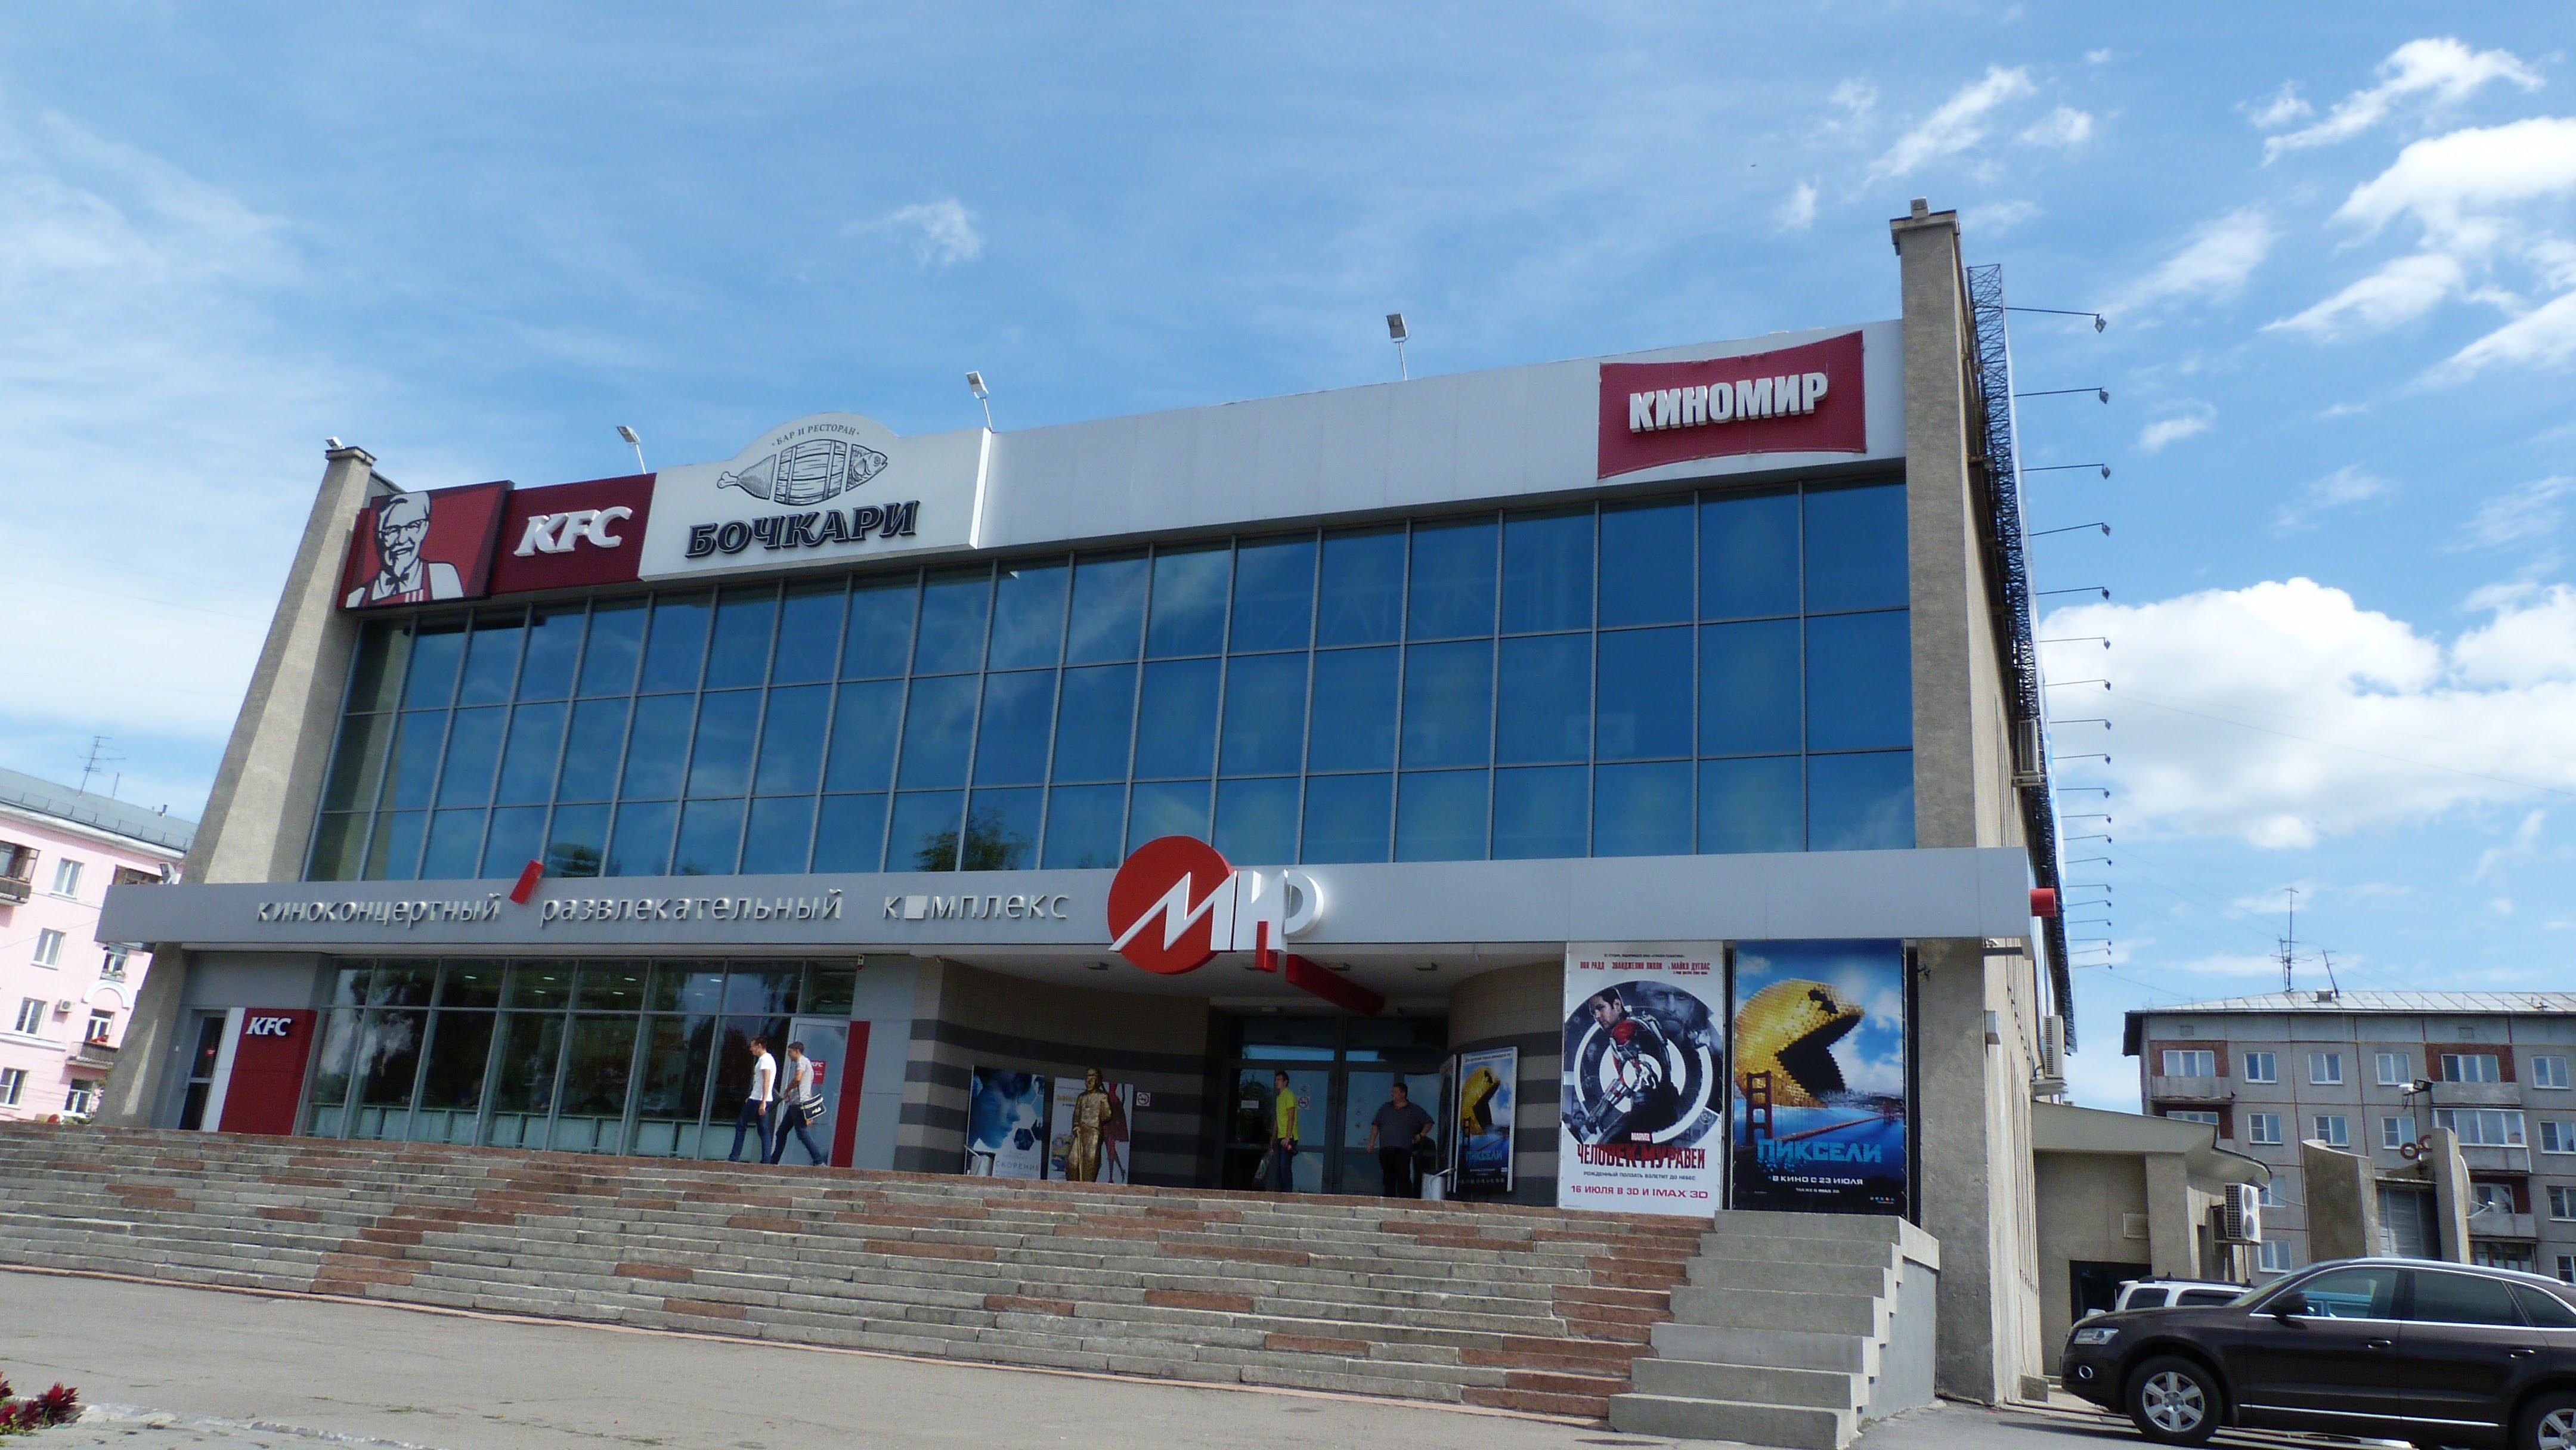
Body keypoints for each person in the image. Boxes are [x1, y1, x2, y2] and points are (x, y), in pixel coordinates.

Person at [345, 492, 465, 607]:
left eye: (413, 526)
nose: (402, 540)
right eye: (392, 530)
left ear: (425, 528)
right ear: (380, 536)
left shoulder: (442, 575)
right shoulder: (357, 598)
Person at [1366, 1080, 1435, 1198]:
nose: (1392, 1094)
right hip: (1386, 1149)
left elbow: (1429, 1122)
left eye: (1395, 1092)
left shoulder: (1413, 1110)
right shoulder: (1385, 1108)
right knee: (1388, 1177)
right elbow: (1376, 1125)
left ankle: (1406, 1201)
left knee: (1403, 1176)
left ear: (1403, 1094)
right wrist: (1371, 1142)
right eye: (1392, 1092)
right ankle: (1388, 1200)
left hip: (1403, 1150)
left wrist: (1421, 1135)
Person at [766, 1040, 827, 1166]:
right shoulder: (808, 1064)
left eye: (790, 1052)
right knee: (782, 1132)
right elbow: (807, 1088)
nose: (789, 1055)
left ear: (797, 1051)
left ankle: (818, 1161)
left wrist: (787, 1090)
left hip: (798, 1104)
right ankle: (773, 1162)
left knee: (802, 1133)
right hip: (797, 1104)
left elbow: (798, 1078)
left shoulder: (801, 1062)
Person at [1064, 1068, 1121, 1183]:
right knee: (1072, 1161)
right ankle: (1073, 1186)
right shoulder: (1082, 1097)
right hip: (1080, 1132)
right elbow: (1077, 1114)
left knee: (1090, 1160)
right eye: (1087, 1080)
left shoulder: (1103, 1096)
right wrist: (1076, 1125)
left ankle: (1087, 1186)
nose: (1089, 1082)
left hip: (1094, 1132)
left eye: (1092, 1079)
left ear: (1098, 1081)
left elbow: (1108, 1115)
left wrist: (1095, 1121)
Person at [726, 1034, 776, 1163]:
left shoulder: (764, 1060)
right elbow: (760, 1082)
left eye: (753, 1047)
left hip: (758, 1099)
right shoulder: (769, 1059)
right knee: (763, 1129)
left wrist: (762, 1102)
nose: (751, 1049)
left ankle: (734, 1157)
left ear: (759, 1046)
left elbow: (766, 1080)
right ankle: (766, 1160)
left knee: (741, 1125)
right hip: (761, 1098)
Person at [1264, 1070, 1300, 1192]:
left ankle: (1288, 1194)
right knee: (1278, 1169)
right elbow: (1278, 1119)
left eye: (1279, 1080)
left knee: (1285, 1167)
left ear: (1285, 1082)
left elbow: (1291, 1117)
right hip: (1280, 1137)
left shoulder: (1289, 1095)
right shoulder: (1279, 1098)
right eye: (1276, 1080)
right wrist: (1273, 1137)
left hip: (1289, 1137)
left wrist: (1288, 1138)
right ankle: (1282, 1193)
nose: (1277, 1082)